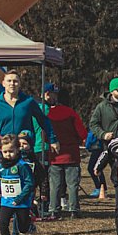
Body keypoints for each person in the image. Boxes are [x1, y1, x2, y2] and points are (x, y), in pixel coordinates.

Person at [0, 70, 59, 155]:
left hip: (25, 149)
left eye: (15, 81)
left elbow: (44, 120)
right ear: (3, 83)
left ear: (20, 84)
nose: (12, 84)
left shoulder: (28, 102)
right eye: (9, 81)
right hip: (6, 151)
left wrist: (53, 140)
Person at [40, 84, 86, 219]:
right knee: (72, 184)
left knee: (55, 184)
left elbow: (44, 136)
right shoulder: (71, 113)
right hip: (71, 153)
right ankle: (73, 210)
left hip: (55, 154)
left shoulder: (48, 114)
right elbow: (82, 133)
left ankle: (54, 209)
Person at [0, 135, 34, 235]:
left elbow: (29, 183)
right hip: (7, 201)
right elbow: (0, 180)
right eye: (5, 151)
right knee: (3, 223)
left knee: (23, 228)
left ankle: (29, 222)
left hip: (21, 202)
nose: (8, 154)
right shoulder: (2, 167)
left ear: (17, 149)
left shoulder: (22, 166)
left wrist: (20, 198)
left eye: (11, 151)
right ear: (1, 151)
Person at [13, 131, 45, 235]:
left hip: (30, 189)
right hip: (17, 188)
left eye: (25, 144)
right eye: (19, 144)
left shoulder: (34, 159)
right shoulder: (14, 159)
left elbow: (42, 176)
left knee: (25, 210)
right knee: (16, 210)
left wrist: (43, 192)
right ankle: (15, 232)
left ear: (30, 145)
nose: (22, 146)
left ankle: (28, 225)